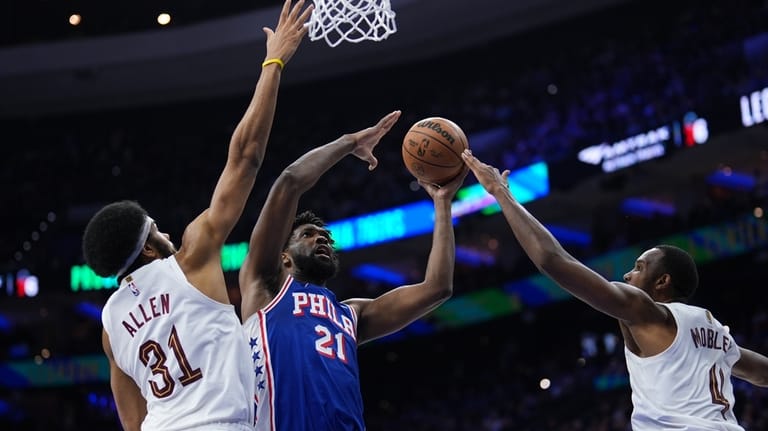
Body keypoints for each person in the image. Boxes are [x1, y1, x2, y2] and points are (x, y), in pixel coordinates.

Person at [81, 2, 313, 430]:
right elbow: (245, 158)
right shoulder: (191, 259)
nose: (168, 233)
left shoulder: (111, 323)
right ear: (149, 248)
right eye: (157, 229)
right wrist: (274, 63)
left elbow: (132, 423)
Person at [460, 149, 768, 430]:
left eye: (639, 267)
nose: (627, 274)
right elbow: (763, 373)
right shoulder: (716, 333)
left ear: (662, 281)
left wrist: (501, 193)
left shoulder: (644, 310)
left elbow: (552, 260)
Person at [238, 110, 468, 430]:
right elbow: (290, 182)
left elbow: (437, 288)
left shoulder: (351, 314)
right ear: (284, 257)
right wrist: (350, 142)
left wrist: (442, 203)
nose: (322, 238)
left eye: (326, 237)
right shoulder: (265, 288)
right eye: (308, 235)